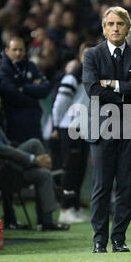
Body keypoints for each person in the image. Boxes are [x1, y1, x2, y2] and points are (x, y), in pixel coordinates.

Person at [82, 6, 131, 253]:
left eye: (119, 24)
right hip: (103, 129)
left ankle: (119, 240)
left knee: (125, 186)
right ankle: (99, 240)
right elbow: (92, 90)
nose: (115, 28)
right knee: (101, 187)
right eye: (110, 24)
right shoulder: (92, 56)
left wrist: (111, 84)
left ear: (128, 28)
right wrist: (125, 92)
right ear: (104, 28)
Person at [0, 91, 69, 231]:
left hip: (9, 168)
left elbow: (8, 146)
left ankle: (47, 221)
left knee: (43, 172)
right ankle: (57, 190)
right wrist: (33, 160)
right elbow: (3, 151)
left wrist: (33, 160)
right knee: (34, 145)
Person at [52, 42, 93, 224]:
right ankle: (65, 209)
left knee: (79, 170)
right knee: (70, 170)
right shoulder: (72, 78)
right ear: (80, 57)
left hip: (83, 128)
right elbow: (60, 103)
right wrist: (55, 125)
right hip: (69, 127)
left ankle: (74, 207)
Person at [0, 36, 52, 145]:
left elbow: (46, 88)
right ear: (7, 51)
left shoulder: (30, 65)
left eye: (21, 50)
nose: (18, 53)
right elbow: (12, 94)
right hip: (13, 124)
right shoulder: (3, 68)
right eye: (14, 50)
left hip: (33, 123)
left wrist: (24, 88)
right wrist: (33, 92)